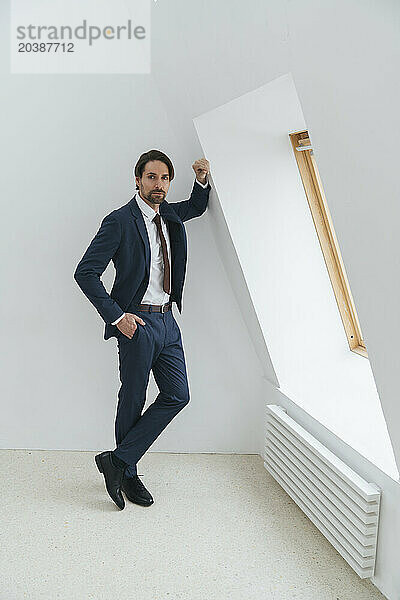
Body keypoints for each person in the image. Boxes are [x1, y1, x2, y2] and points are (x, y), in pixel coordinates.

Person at [74, 149, 211, 510]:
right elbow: (85, 272)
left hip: (168, 320)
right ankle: (128, 473)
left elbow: (196, 208)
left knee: (178, 395)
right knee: (133, 397)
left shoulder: (168, 213)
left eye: (165, 178)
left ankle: (117, 462)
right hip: (136, 323)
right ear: (138, 180)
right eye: (152, 177)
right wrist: (117, 317)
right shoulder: (119, 221)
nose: (159, 184)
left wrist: (201, 181)